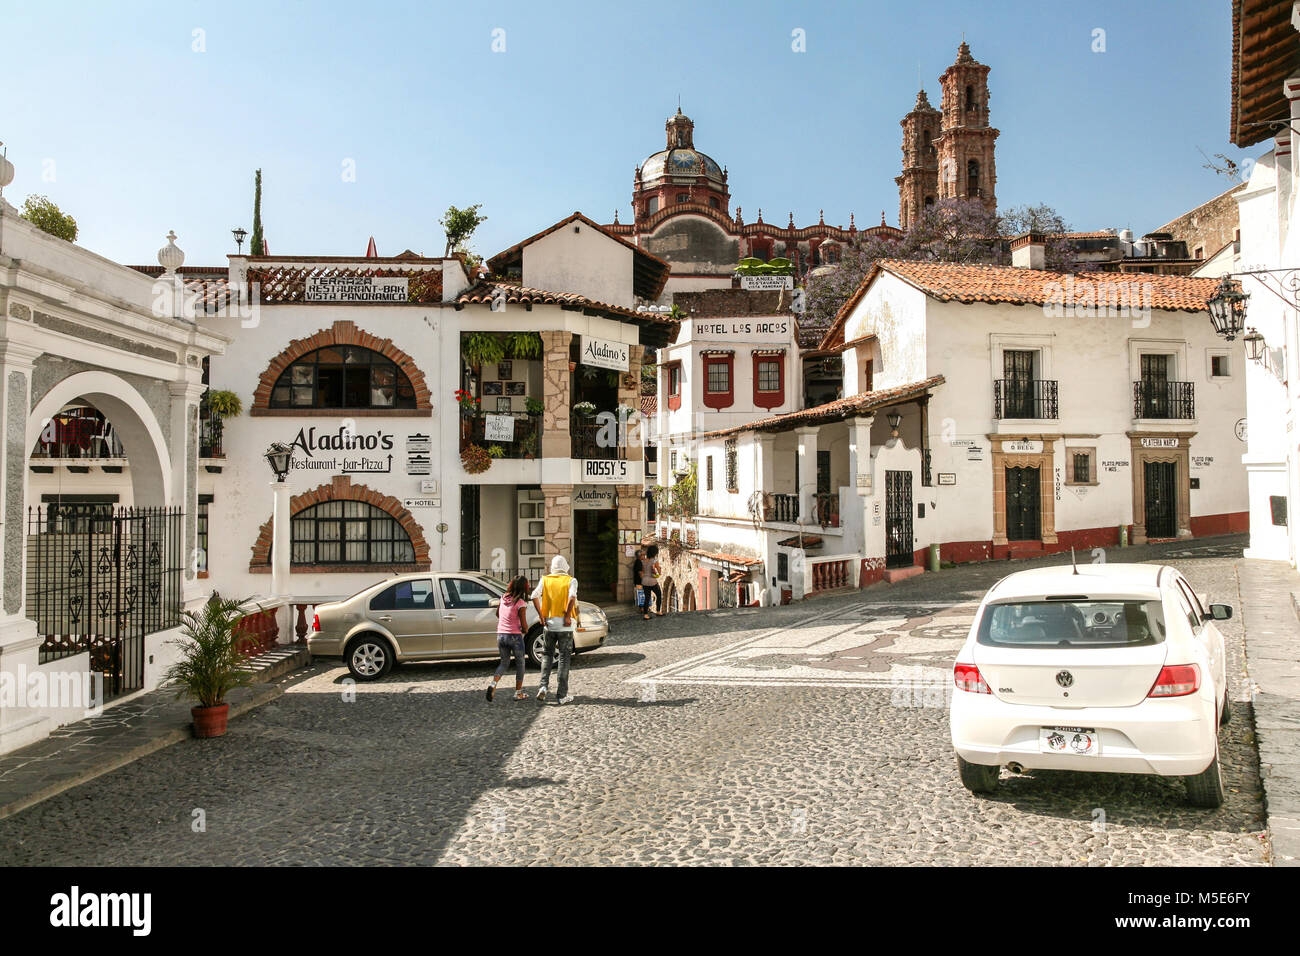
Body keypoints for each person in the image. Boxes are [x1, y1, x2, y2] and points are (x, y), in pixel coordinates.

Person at [531, 554, 579, 704]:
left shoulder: (545, 580)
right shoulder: (571, 580)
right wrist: (566, 615)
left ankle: (543, 687)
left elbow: (534, 595)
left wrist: (541, 615)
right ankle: (561, 695)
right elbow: (572, 597)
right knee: (564, 658)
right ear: (565, 566)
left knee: (547, 655)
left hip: (549, 624)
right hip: (565, 626)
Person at [487, 575, 530, 702]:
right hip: (515, 636)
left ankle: (493, 684)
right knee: (520, 664)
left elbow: (497, 614)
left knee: (504, 663)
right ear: (524, 588)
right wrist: (524, 630)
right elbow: (524, 625)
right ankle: (518, 693)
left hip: (501, 635)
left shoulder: (503, 598)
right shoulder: (521, 603)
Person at [643, 544, 664, 617]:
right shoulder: (654, 561)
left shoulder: (644, 561)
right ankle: (658, 611)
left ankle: (645, 615)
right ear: (655, 553)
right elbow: (659, 572)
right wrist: (659, 569)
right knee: (659, 594)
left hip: (645, 581)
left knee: (647, 598)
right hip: (652, 581)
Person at [632, 547, 650, 620]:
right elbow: (640, 573)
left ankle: (642, 608)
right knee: (641, 594)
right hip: (639, 582)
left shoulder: (639, 562)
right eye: (643, 555)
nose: (644, 556)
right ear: (640, 556)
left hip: (639, 581)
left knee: (641, 594)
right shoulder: (638, 562)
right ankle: (642, 609)